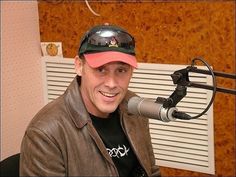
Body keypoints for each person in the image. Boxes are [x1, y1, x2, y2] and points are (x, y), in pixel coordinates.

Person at [20, 24, 161, 177]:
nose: (112, 84)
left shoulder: (134, 106)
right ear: (79, 66)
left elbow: (151, 170)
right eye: (100, 69)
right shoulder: (45, 134)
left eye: (121, 70)